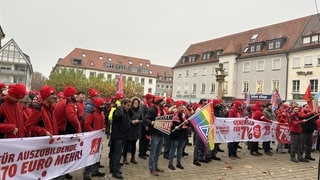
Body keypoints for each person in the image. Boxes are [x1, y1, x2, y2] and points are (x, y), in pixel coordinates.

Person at [83, 97, 106, 180]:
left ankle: (95, 171)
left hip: (99, 138)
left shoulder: (102, 113)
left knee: (98, 155)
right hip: (92, 139)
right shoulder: (91, 113)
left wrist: (104, 128)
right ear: (97, 105)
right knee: (90, 156)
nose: (103, 106)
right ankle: (86, 174)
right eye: (101, 105)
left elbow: (103, 124)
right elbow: (86, 125)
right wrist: (94, 132)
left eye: (103, 104)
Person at [109, 98, 131, 179]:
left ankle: (113, 168)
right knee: (116, 154)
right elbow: (119, 115)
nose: (129, 107)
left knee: (115, 153)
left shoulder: (126, 111)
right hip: (117, 136)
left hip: (122, 136)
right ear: (123, 105)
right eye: (127, 105)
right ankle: (115, 171)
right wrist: (119, 107)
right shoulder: (118, 111)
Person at [145, 96, 167, 176]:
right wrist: (151, 122)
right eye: (162, 101)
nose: (164, 102)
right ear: (158, 102)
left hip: (162, 133)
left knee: (158, 152)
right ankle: (151, 169)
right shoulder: (153, 109)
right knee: (153, 153)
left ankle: (156, 166)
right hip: (155, 134)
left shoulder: (162, 110)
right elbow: (145, 119)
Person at [168, 100, 188, 170]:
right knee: (173, 149)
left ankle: (178, 163)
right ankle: (170, 163)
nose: (182, 108)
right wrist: (174, 127)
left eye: (182, 106)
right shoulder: (173, 113)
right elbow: (169, 122)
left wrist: (187, 122)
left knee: (180, 149)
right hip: (175, 134)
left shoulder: (185, 114)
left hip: (183, 134)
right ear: (177, 107)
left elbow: (188, 123)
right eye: (180, 106)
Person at [123, 97, 143, 165]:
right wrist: (132, 122)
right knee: (127, 144)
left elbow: (142, 119)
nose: (136, 104)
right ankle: (125, 158)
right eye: (135, 102)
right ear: (132, 103)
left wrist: (138, 121)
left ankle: (133, 157)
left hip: (136, 130)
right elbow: (126, 119)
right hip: (129, 129)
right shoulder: (129, 110)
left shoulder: (140, 111)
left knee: (134, 144)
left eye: (137, 103)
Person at [193, 98, 208, 166]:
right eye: (205, 102)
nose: (206, 103)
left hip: (204, 128)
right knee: (198, 145)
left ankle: (201, 157)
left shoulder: (205, 110)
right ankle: (195, 159)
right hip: (199, 129)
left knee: (203, 144)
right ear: (202, 102)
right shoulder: (198, 110)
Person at [138, 93, 154, 159]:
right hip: (144, 125)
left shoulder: (151, 105)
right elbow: (142, 116)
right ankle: (141, 153)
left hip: (149, 124)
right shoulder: (144, 105)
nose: (152, 99)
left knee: (147, 139)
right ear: (148, 98)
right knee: (143, 139)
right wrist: (145, 125)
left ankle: (144, 152)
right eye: (151, 98)